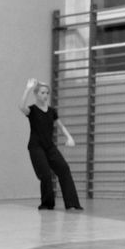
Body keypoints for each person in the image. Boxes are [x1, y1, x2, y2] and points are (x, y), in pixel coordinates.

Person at [18, 78, 82, 211]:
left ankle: (72, 203)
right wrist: (28, 89)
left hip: (49, 147)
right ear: (36, 94)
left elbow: (61, 126)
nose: (45, 95)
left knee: (64, 169)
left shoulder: (52, 111)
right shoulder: (32, 110)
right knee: (46, 174)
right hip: (36, 147)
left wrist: (69, 137)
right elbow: (21, 107)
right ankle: (47, 204)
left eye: (47, 93)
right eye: (42, 93)